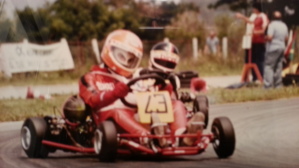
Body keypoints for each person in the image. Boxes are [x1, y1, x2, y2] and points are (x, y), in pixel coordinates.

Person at [78, 29, 150, 137]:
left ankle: (179, 134)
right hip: (106, 122)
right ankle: (145, 136)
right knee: (117, 111)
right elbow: (93, 100)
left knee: (175, 105)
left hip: (136, 116)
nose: (125, 62)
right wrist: (114, 93)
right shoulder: (91, 77)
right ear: (109, 50)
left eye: (130, 60)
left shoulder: (135, 78)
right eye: (121, 56)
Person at [138, 41, 205, 146]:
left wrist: (171, 89)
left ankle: (183, 136)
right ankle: (156, 134)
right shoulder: (139, 74)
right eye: (161, 61)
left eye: (168, 62)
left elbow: (175, 96)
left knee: (178, 104)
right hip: (142, 109)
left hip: (166, 108)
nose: (165, 65)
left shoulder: (173, 79)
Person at [236, 2, 269, 82]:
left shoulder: (263, 16)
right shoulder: (254, 16)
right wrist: (242, 17)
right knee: (252, 59)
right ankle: (254, 77)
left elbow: (264, 29)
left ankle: (260, 76)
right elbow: (251, 22)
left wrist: (255, 32)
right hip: (252, 41)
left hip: (259, 41)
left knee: (259, 60)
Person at [264, 11, 288, 88]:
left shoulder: (272, 25)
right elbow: (286, 38)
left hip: (273, 48)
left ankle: (268, 85)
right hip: (281, 47)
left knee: (269, 66)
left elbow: (270, 37)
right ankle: (278, 85)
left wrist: (265, 38)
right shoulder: (284, 25)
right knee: (278, 66)